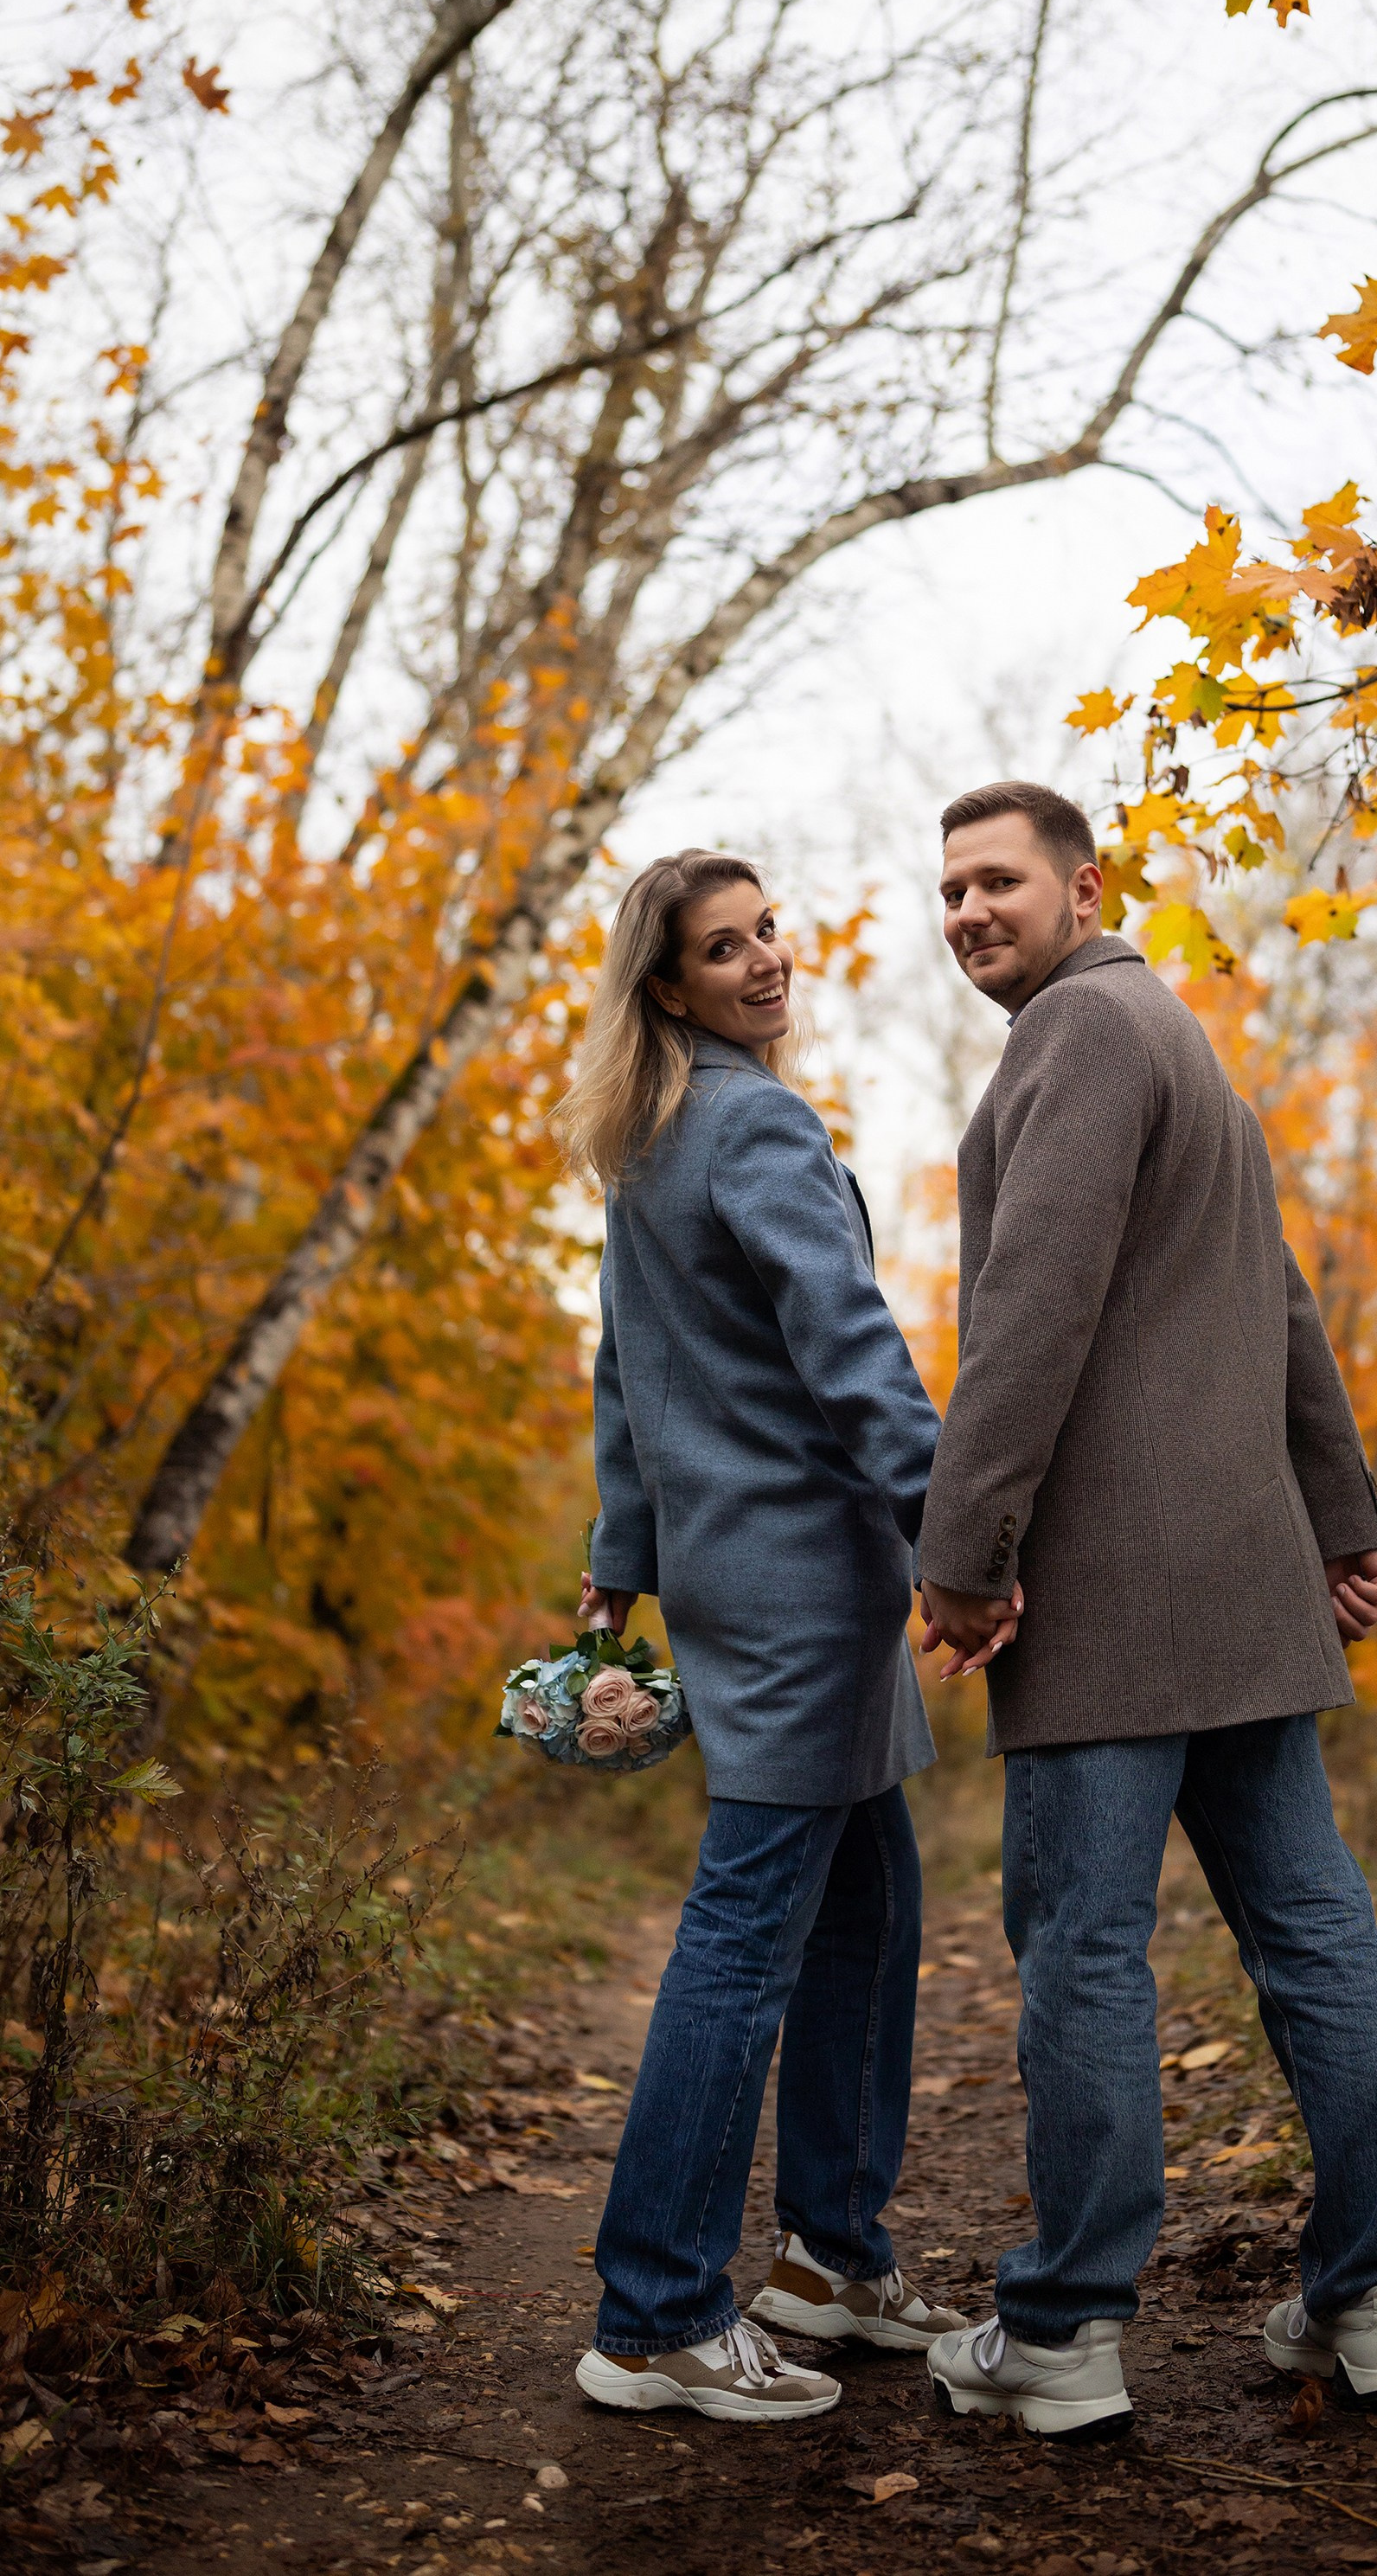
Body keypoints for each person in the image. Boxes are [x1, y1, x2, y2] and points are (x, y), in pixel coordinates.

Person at [913, 782, 1377, 2442]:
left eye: (996, 880)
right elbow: (1278, 1294)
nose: (968, 910)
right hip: (1245, 1582)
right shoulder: (1179, 1036)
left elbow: (1029, 1308)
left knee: (1083, 1949)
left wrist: (966, 1547)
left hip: (1113, 1605)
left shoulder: (1074, 1034)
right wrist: (1341, 1522)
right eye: (948, 890)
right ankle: (1370, 2296)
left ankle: (1064, 2326)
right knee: (1313, 1933)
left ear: (1084, 885)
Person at [555, 849, 971, 2425]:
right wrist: (958, 1534)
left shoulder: (650, 1143)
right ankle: (656, 2306)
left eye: (765, 931)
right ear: (667, 988)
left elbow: (620, 1370)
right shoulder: (752, 1124)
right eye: (721, 950)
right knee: (744, 1944)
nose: (761, 961)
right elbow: (850, 1346)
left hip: (760, 1584)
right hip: (804, 1592)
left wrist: (619, 1556)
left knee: (867, 1910)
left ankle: (831, 2256)